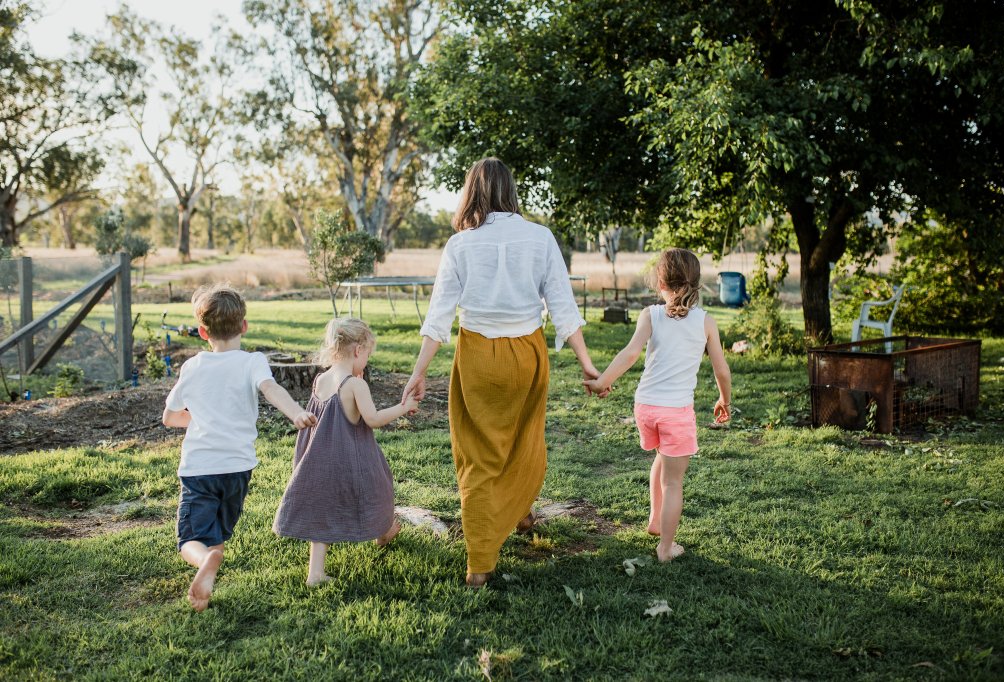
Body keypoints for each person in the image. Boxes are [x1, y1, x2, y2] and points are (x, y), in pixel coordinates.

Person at [402, 157, 599, 587]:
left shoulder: (460, 244)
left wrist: (419, 372)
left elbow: (439, 316)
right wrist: (587, 365)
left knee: (479, 454)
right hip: (527, 354)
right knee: (524, 438)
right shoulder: (540, 237)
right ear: (510, 190)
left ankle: (481, 562)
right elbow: (563, 308)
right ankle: (519, 515)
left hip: (476, 356)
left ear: (473, 192)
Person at [162, 283, 317, 611]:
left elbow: (170, 417)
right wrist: (296, 413)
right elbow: (270, 389)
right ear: (244, 326)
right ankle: (207, 582)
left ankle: (203, 559)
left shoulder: (193, 367)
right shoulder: (252, 362)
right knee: (217, 529)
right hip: (237, 468)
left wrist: (201, 419)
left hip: (200, 468)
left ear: (203, 332)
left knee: (190, 538)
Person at [584, 248, 732, 562]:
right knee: (673, 480)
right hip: (675, 412)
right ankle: (666, 548)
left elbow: (630, 353)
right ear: (695, 282)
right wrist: (724, 399)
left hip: (646, 407)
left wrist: (603, 381)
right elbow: (721, 369)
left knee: (661, 460)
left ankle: (655, 520)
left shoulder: (650, 315)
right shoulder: (706, 322)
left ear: (660, 283)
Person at [273, 318, 418, 587]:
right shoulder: (354, 384)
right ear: (358, 351)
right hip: (351, 461)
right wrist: (404, 406)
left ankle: (315, 573)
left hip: (318, 461)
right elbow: (373, 419)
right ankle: (383, 532)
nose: (367, 361)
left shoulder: (321, 379)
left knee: (322, 509)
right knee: (380, 489)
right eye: (368, 355)